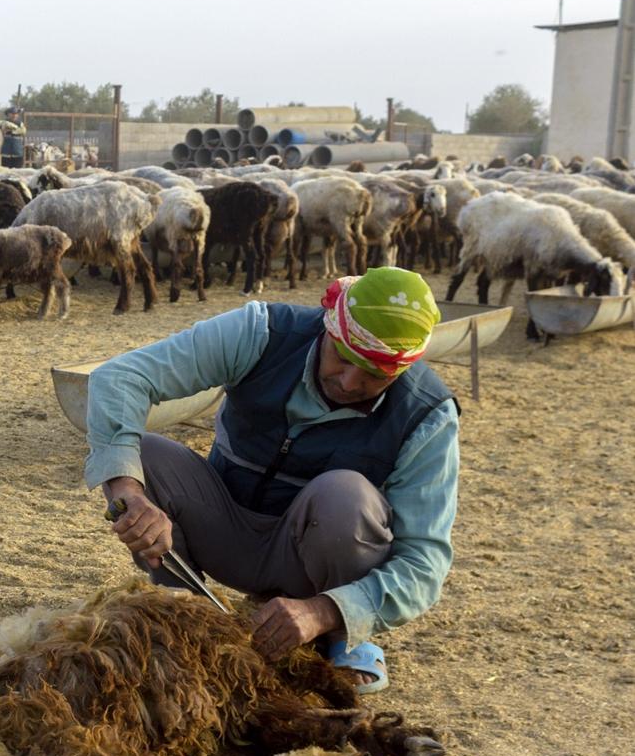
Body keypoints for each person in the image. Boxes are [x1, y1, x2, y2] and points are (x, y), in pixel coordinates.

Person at [85, 267, 458, 693]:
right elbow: (119, 378)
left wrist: (323, 611)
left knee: (346, 495)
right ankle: (184, 610)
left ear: (404, 370)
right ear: (328, 325)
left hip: (312, 567)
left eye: (375, 375)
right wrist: (129, 495)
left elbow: (424, 562)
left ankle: (338, 637)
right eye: (342, 357)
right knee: (146, 456)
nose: (349, 382)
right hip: (223, 528)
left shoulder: (426, 415)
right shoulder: (262, 333)